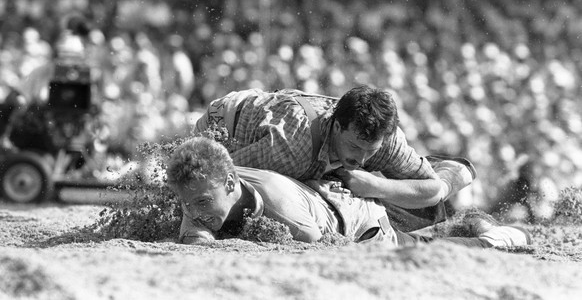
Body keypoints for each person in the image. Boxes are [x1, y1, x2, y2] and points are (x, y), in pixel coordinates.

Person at [193, 85, 476, 232]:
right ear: (337, 126)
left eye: (371, 150)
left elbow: (433, 190)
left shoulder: (388, 141)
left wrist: (374, 186)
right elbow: (220, 172)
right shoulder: (294, 147)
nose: (362, 158)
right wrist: (308, 180)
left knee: (429, 211)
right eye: (355, 146)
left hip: (299, 142)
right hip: (228, 122)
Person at [166, 137, 531, 249]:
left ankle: (487, 238)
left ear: (231, 186)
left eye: (200, 205)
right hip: (326, 194)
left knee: (408, 249)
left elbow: (323, 249)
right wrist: (198, 224)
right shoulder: (205, 186)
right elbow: (196, 233)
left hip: (356, 219)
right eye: (189, 203)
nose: (195, 211)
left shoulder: (286, 217)